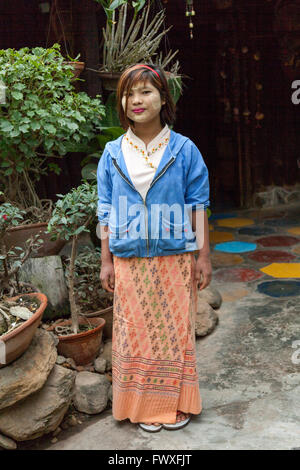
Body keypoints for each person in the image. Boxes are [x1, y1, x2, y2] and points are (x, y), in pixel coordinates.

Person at [97, 63, 211, 432]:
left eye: (146, 91)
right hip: (129, 260)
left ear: (164, 99)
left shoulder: (184, 150)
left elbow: (198, 205)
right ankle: (141, 407)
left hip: (175, 258)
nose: (137, 100)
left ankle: (173, 404)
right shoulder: (113, 153)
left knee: (173, 334)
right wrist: (106, 261)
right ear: (122, 103)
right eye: (129, 93)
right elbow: (106, 212)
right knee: (134, 335)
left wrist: (203, 256)